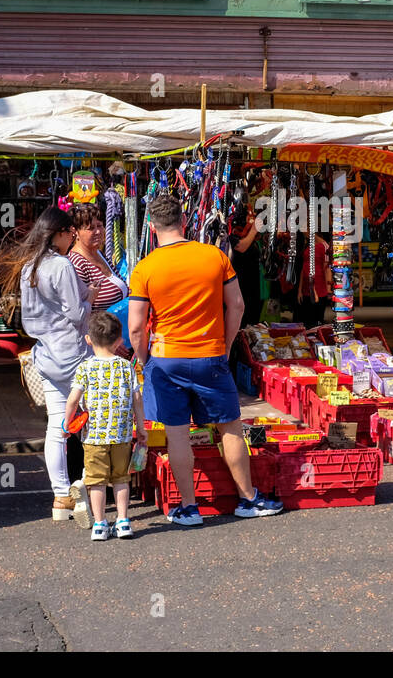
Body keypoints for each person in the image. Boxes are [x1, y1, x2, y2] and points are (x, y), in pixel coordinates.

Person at [127, 192, 283, 525]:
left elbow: (137, 328)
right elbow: (238, 305)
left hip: (166, 358)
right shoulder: (214, 256)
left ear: (153, 229)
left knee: (177, 434)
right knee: (230, 426)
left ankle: (189, 507)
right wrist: (225, 347)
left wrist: (145, 361)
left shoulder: (145, 268)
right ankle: (248, 498)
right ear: (184, 221)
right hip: (210, 353)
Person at [0, 206, 90, 521]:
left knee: (57, 427)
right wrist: (90, 297)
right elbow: (76, 315)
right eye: (70, 232)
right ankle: (90, 487)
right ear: (58, 233)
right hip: (72, 354)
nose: (72, 238)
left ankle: (61, 496)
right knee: (93, 421)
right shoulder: (61, 265)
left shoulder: (30, 265)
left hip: (45, 354)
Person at [65, 310, 148, 540]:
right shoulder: (125, 366)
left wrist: (66, 423)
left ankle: (100, 524)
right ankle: (123, 521)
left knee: (96, 481)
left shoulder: (85, 368)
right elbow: (137, 399)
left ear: (88, 340)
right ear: (120, 340)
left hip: (94, 437)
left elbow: (73, 399)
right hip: (121, 435)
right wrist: (140, 428)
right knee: (121, 478)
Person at [68, 198, 129, 312]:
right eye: (91, 228)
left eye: (100, 226)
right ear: (76, 232)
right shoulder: (76, 264)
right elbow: (78, 310)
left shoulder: (98, 253)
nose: (98, 231)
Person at [293, 231, 331, 328]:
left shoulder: (324, 246)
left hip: (319, 288)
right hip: (306, 288)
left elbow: (327, 269)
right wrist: (299, 290)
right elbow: (303, 268)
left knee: (317, 320)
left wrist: (328, 289)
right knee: (306, 320)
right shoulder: (308, 246)